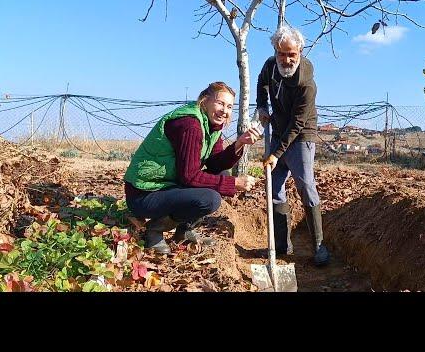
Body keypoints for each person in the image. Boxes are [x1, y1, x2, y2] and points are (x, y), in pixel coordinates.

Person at [124, 82, 261, 254]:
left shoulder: (211, 126)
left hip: (166, 186)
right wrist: (233, 183)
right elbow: (189, 176)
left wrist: (239, 144)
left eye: (229, 106)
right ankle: (154, 230)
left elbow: (214, 164)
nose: (224, 111)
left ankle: (184, 230)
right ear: (205, 101)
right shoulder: (190, 125)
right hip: (143, 194)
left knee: (221, 174)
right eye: (219, 103)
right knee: (209, 199)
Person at [256, 24, 330, 266]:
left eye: (292, 54)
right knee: (274, 187)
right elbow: (261, 81)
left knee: (306, 186)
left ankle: (319, 245)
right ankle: (280, 246)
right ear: (275, 51)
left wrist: (276, 153)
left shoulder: (307, 84)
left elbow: (298, 123)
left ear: (300, 52)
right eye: (282, 54)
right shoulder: (270, 66)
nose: (286, 59)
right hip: (278, 130)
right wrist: (261, 106)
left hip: (301, 136)